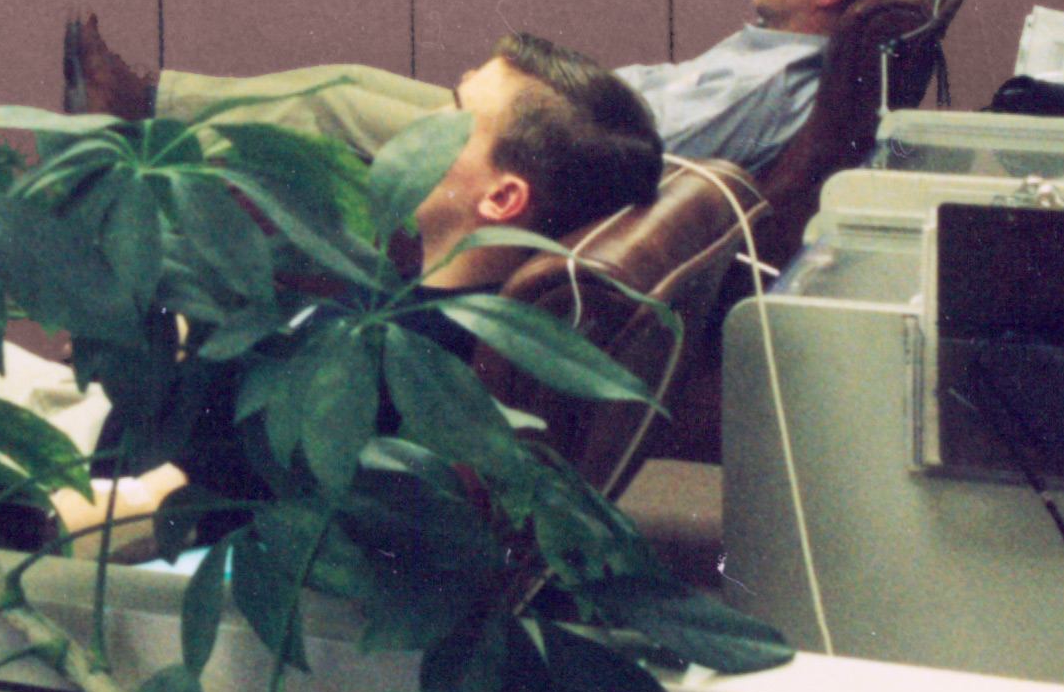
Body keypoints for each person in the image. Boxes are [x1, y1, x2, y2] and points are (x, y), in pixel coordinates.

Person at [52, 34, 662, 549]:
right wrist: (177, 336)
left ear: (501, 199)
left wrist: (10, 518)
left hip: (94, 494)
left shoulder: (400, 362)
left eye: (449, 116)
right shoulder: (420, 305)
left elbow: (166, 502)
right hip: (132, 404)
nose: (412, 125)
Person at [68, 0, 898, 174]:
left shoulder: (769, 83)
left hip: (539, 151)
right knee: (345, 74)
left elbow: (636, 145)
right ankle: (149, 96)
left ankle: (146, 124)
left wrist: (528, 103)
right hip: (542, 116)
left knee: (331, 108)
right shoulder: (769, 49)